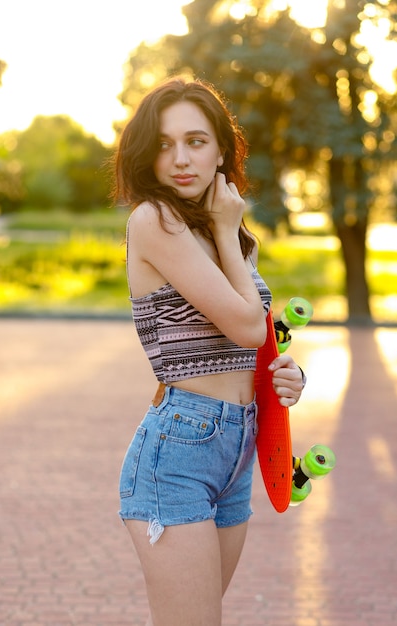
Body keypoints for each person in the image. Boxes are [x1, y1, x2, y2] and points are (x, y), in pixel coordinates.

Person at [114, 77, 305, 626]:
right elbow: (247, 324)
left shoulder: (233, 237)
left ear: (222, 148)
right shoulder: (156, 221)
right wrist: (227, 228)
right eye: (164, 144)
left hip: (237, 448)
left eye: (196, 142)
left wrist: (285, 375)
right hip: (179, 447)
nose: (180, 159)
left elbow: (255, 345)